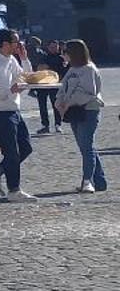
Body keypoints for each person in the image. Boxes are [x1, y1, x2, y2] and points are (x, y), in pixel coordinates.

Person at [0, 28, 36, 200]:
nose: (18, 45)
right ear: (4, 44)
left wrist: (24, 58)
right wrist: (9, 90)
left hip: (12, 108)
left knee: (26, 147)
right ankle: (14, 190)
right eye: (15, 42)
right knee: (11, 152)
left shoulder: (11, 59)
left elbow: (26, 77)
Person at [55, 38, 105, 194]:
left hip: (88, 110)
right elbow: (63, 88)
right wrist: (59, 102)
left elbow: (90, 93)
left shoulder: (89, 69)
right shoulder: (72, 70)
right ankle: (100, 181)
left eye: (65, 52)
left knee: (87, 146)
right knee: (85, 147)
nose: (63, 55)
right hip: (74, 111)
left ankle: (87, 180)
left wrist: (68, 102)